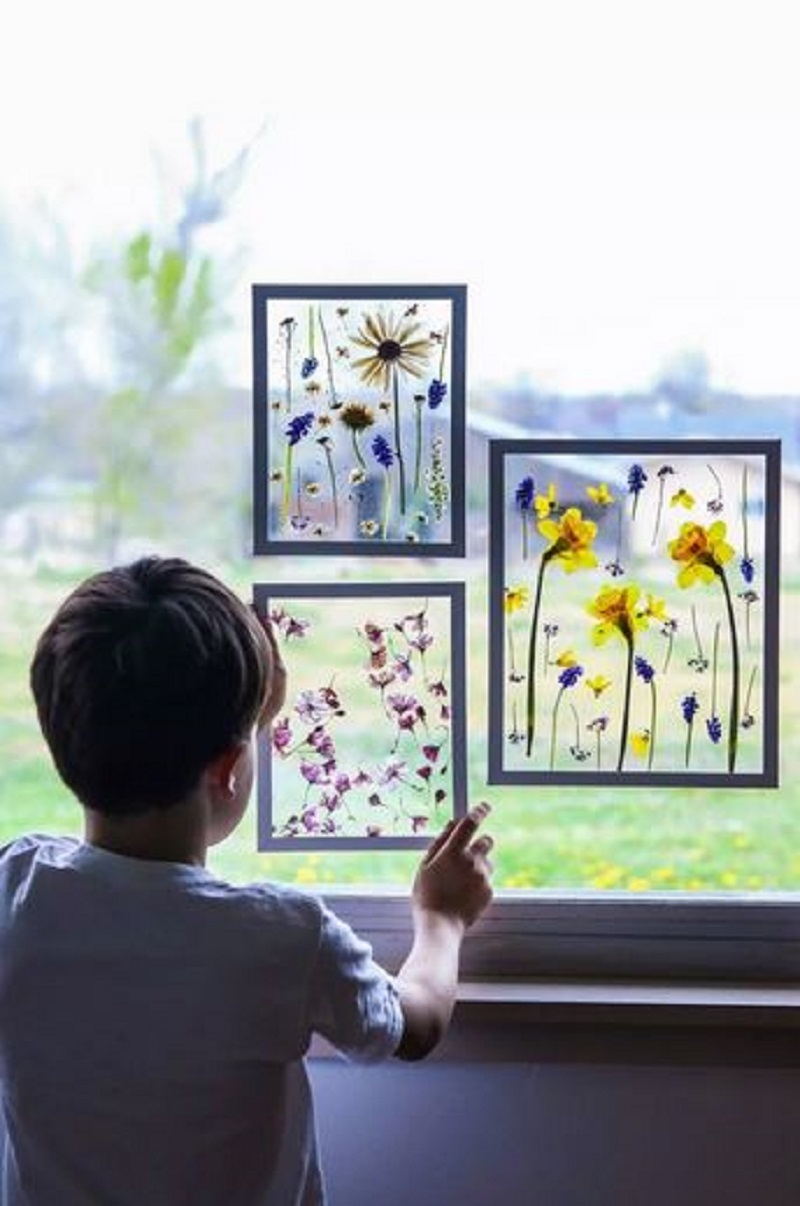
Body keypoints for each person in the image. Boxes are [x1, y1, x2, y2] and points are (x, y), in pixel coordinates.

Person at [0, 555, 493, 1205]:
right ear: (231, 767)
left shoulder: (17, 893)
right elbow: (417, 1025)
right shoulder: (284, 935)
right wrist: (442, 919)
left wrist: (247, 718)